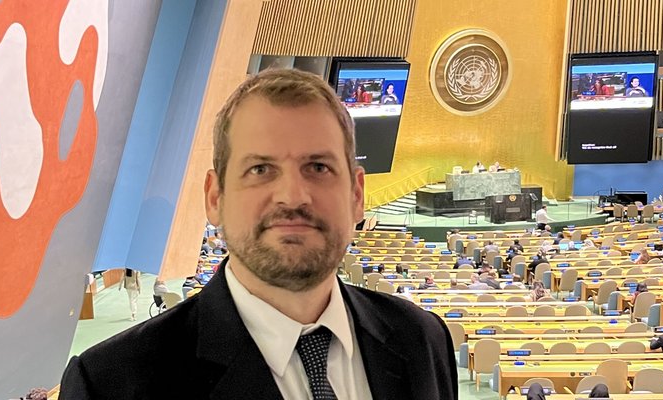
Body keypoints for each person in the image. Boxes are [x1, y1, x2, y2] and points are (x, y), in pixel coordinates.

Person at [60, 69, 457, 399]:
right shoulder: (112, 384)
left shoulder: (421, 339)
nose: (292, 196)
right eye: (260, 169)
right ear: (215, 197)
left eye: (318, 167)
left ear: (356, 195)